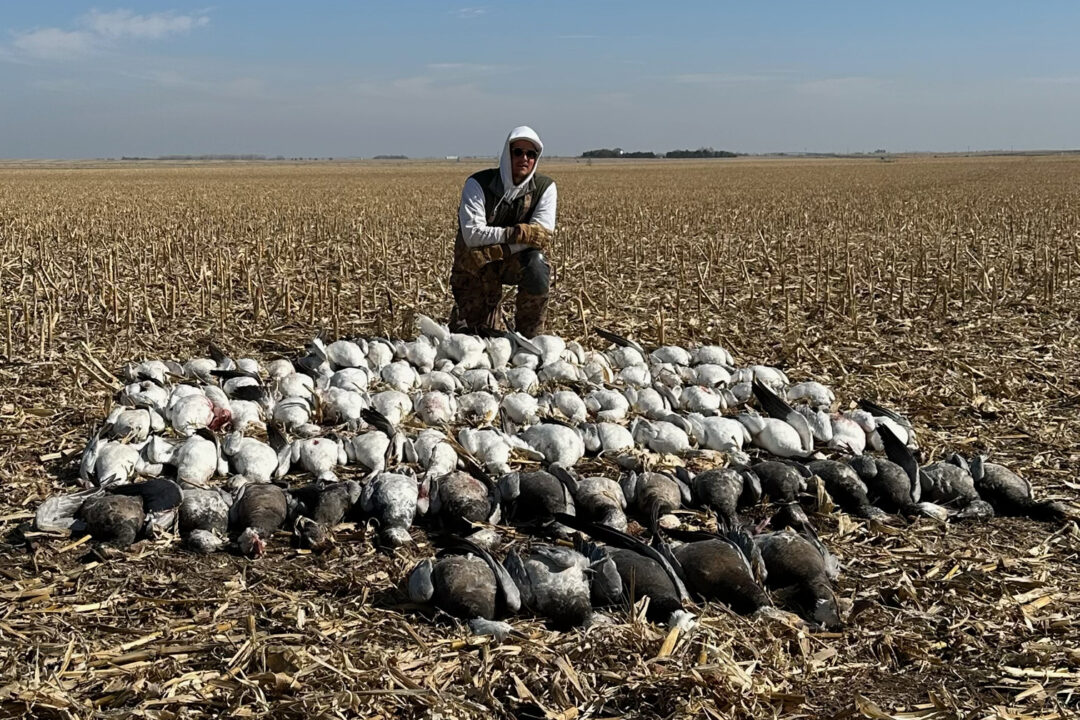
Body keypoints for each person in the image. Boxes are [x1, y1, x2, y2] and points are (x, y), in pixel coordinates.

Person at [448, 126, 557, 338]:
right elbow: (472, 234)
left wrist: (501, 249)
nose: (524, 158)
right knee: (481, 336)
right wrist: (513, 234)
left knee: (537, 266)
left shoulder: (545, 188)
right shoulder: (477, 184)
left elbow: (541, 235)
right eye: (518, 152)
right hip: (476, 264)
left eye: (531, 154)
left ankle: (530, 336)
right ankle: (464, 320)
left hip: (512, 262)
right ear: (507, 154)